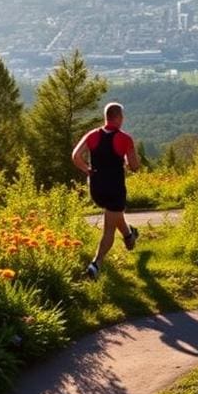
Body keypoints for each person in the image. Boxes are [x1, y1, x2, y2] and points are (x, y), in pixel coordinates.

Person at [72, 102, 141, 279]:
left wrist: (87, 170)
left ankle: (129, 236)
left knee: (113, 215)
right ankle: (96, 264)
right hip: (115, 188)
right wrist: (128, 160)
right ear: (118, 118)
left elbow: (75, 156)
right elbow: (134, 166)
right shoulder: (125, 138)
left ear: (106, 117)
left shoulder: (92, 135)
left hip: (96, 187)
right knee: (109, 228)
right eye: (122, 117)